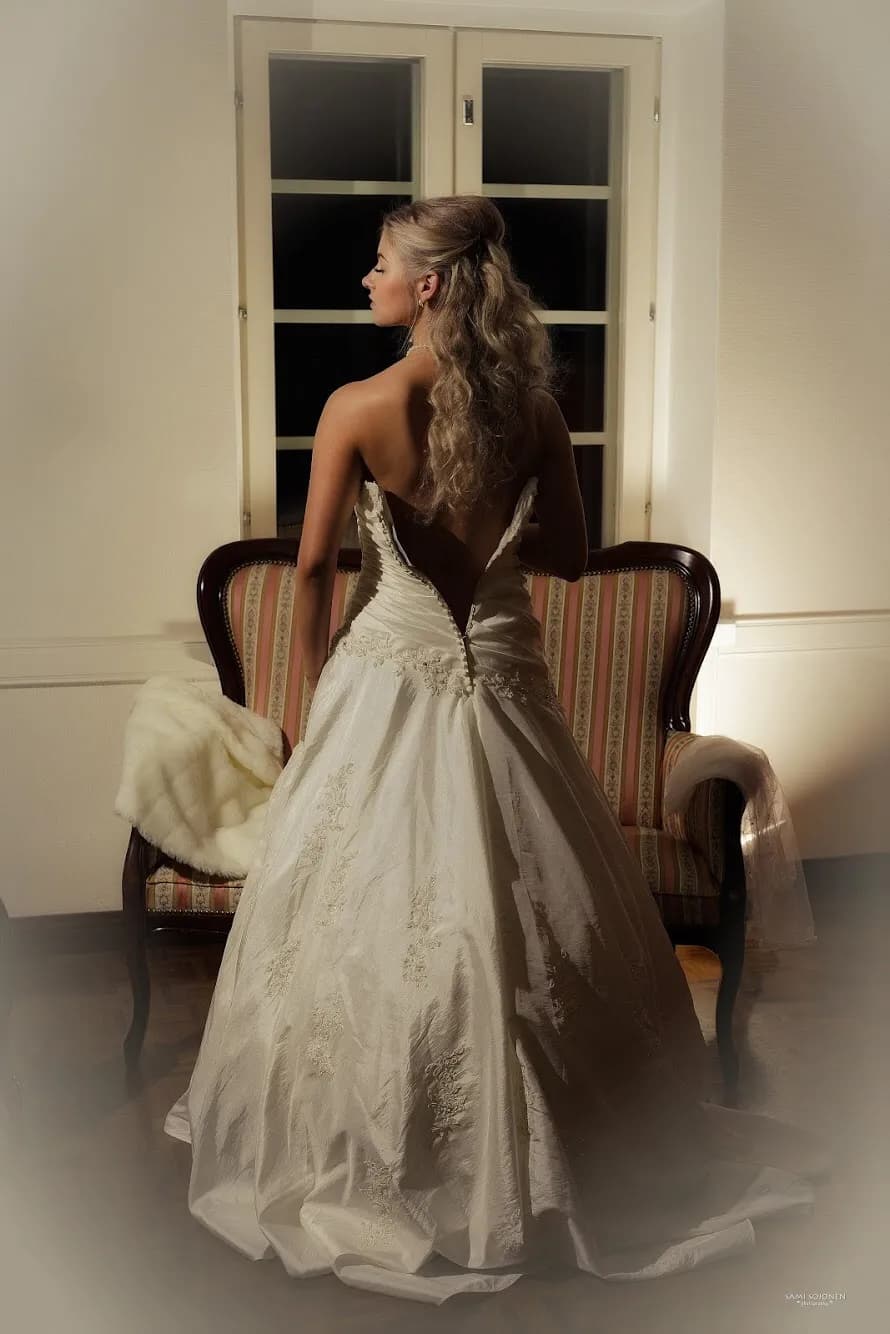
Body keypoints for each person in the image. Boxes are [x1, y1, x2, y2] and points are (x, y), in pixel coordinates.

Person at [164, 195, 830, 1304]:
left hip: (384, 680)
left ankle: (392, 1158)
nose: (363, 281)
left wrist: (320, 681)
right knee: (537, 913)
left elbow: (318, 566)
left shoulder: (356, 408)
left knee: (359, 914)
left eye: (378, 264)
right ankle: (564, 1149)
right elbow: (567, 559)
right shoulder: (531, 414)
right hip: (508, 681)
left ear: (426, 285)